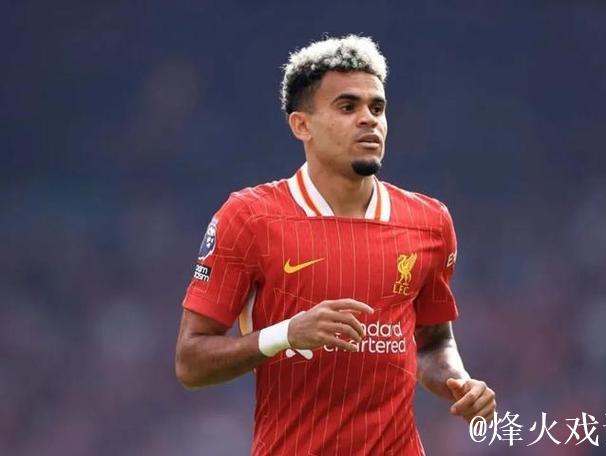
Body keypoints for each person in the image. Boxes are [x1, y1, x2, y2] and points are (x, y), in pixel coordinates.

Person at [175, 34, 496, 455]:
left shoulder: (429, 222)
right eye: (348, 107)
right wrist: (286, 334)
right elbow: (191, 362)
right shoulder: (250, 218)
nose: (368, 120)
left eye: (377, 108)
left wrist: (460, 382)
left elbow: (433, 343)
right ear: (301, 125)